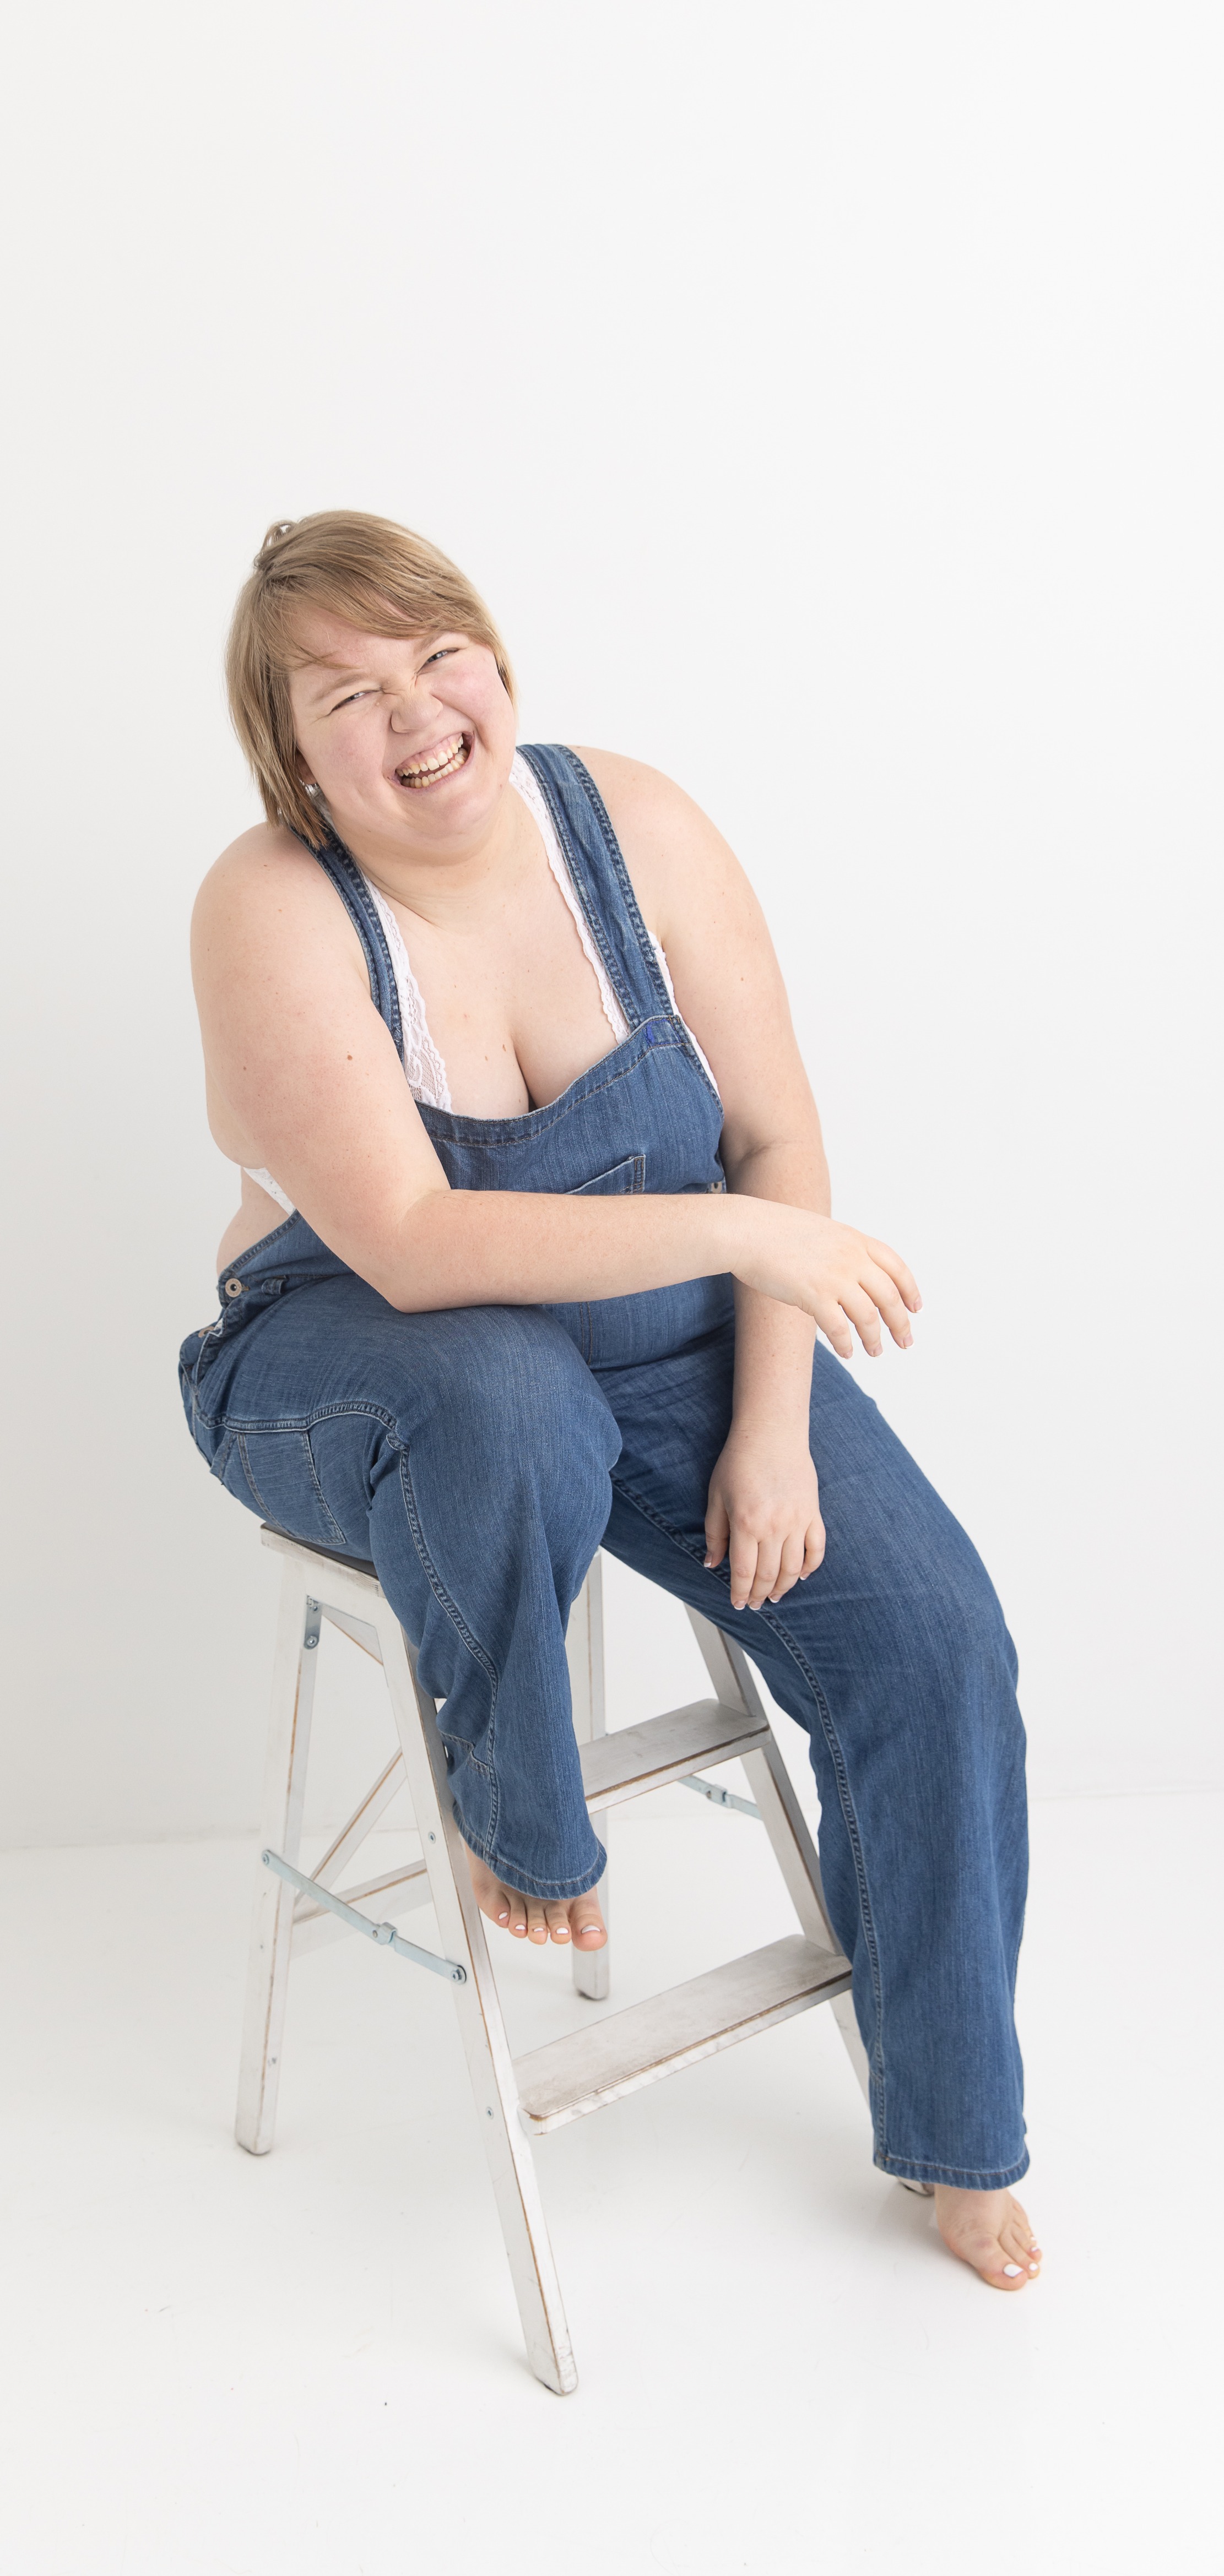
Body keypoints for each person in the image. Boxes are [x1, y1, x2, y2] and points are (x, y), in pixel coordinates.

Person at [182, 511, 1041, 2292]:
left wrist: (773, 1425)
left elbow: (781, 1140)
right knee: (508, 1394)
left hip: (674, 1345)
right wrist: (741, 1228)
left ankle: (955, 2130)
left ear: (493, 663)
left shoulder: (630, 825)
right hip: (349, 1352)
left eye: (439, 657)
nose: (417, 712)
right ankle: (525, 1816)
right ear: (297, 759)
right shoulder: (269, 907)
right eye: (348, 695)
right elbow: (416, 1245)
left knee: (937, 1646)